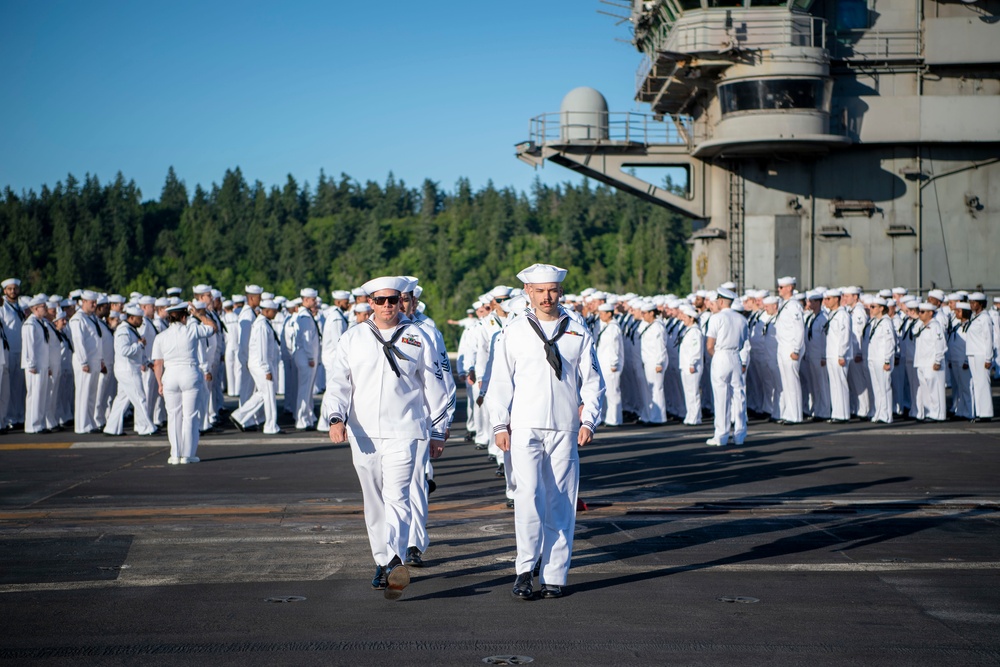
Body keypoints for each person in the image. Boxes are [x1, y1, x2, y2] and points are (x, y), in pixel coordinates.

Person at [322, 276, 452, 601]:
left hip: (405, 431)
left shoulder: (419, 337)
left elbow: (438, 385)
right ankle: (383, 560)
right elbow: (339, 382)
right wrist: (336, 417)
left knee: (397, 497)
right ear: (370, 303)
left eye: (393, 300)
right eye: (380, 301)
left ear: (401, 301)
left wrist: (438, 429)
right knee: (374, 500)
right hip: (364, 433)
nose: (387, 306)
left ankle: (392, 559)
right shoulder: (353, 339)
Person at [486, 263, 605, 601]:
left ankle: (554, 574)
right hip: (524, 426)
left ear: (561, 291)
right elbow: (499, 382)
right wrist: (499, 424)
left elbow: (594, 382)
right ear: (528, 293)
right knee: (527, 498)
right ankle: (524, 570)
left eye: (552, 290)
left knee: (562, 502)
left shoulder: (577, 330)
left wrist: (588, 421)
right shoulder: (515, 330)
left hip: (565, 427)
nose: (547, 297)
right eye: (540, 291)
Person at [152, 302, 218, 464]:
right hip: (189, 374)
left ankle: (175, 454)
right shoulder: (192, 330)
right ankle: (188, 454)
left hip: (170, 376)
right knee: (190, 416)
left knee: (174, 416)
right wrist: (198, 314)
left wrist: (160, 383)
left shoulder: (160, 337)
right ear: (184, 317)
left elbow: (157, 364)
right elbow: (213, 327)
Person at [705, 287, 750, 446]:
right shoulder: (742, 319)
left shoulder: (716, 318)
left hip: (721, 355)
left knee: (721, 397)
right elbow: (744, 341)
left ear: (722, 301)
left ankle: (721, 435)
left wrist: (716, 356)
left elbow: (710, 344)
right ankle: (740, 434)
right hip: (736, 356)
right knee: (739, 396)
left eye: (717, 300)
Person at [104, 306, 157, 436]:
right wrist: (139, 345)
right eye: (139, 319)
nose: (141, 322)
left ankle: (111, 428)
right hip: (128, 370)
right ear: (131, 318)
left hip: (129, 368)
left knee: (122, 399)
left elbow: (137, 352)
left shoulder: (131, 329)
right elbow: (124, 351)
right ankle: (146, 428)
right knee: (140, 398)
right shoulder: (123, 331)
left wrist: (147, 362)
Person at [231, 299, 283, 434]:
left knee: (262, 394)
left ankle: (239, 415)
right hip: (261, 365)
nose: (276, 313)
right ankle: (271, 426)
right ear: (266, 311)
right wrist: (266, 369)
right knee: (269, 395)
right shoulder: (261, 326)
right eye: (274, 311)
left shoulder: (264, 323)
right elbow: (262, 350)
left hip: (260, 364)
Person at [69, 290, 105, 434]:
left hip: (94, 361)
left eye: (95, 302)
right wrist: (84, 361)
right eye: (92, 302)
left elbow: (97, 340)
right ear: (83, 302)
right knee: (83, 393)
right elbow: (79, 341)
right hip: (85, 362)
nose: (95, 305)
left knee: (91, 394)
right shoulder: (78, 319)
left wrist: (100, 359)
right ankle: (82, 425)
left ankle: (90, 423)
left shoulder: (91, 318)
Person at [291, 288, 322, 430]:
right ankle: (302, 420)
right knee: (304, 390)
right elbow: (306, 339)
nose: (315, 302)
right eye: (313, 299)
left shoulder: (306, 315)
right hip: (306, 357)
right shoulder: (304, 316)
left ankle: (307, 417)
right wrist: (311, 357)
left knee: (307, 390)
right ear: (305, 300)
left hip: (306, 356)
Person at [21, 296, 52, 434]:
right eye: (43, 307)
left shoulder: (40, 323)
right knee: (34, 395)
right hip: (35, 366)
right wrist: (31, 364)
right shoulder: (30, 324)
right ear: (34, 309)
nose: (45, 309)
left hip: (43, 364)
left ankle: (40, 422)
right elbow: (29, 346)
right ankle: (33, 425)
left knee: (41, 395)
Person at [912, 302, 947, 422]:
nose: (919, 314)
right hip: (921, 362)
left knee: (935, 390)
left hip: (932, 363)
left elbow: (940, 345)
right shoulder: (920, 325)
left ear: (931, 313)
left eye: (922, 312)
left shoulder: (936, 326)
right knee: (926, 390)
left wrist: (938, 360)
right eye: (919, 312)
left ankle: (938, 414)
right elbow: (913, 332)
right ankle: (929, 413)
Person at [865, 297, 897, 423]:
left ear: (882, 308)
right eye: (871, 307)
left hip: (882, 359)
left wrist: (887, 360)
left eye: (873, 307)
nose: (871, 309)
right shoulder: (874, 322)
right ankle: (878, 412)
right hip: (873, 358)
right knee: (877, 388)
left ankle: (887, 415)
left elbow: (890, 342)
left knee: (884, 387)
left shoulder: (886, 322)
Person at [965, 293, 995, 421]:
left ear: (981, 304)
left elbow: (989, 339)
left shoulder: (985, 318)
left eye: (974, 302)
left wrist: (989, 358)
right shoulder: (974, 317)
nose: (971, 305)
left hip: (981, 354)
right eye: (970, 302)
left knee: (983, 384)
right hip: (972, 353)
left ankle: (986, 413)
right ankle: (979, 412)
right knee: (977, 384)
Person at [595, 303, 624, 426]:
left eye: (602, 313)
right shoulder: (606, 326)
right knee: (606, 392)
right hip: (604, 364)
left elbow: (614, 348)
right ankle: (608, 416)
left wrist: (614, 363)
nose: (600, 316)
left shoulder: (613, 328)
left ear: (609, 314)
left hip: (611, 365)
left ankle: (614, 419)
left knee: (613, 392)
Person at [676, 304, 704, 425]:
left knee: (693, 392)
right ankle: (690, 415)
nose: (683, 319)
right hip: (685, 365)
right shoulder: (688, 330)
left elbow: (696, 350)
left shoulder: (695, 332)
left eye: (685, 317)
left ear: (692, 318)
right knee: (688, 392)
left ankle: (695, 417)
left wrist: (692, 363)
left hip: (693, 366)